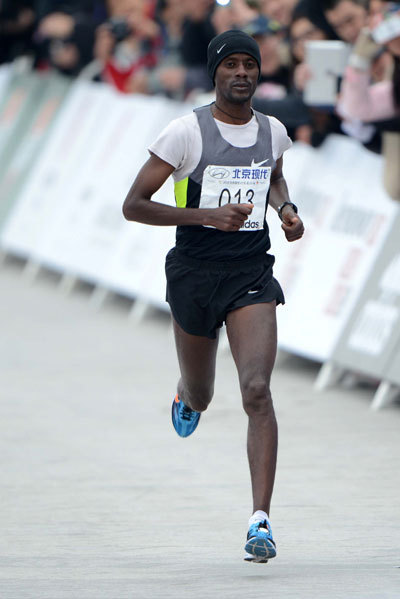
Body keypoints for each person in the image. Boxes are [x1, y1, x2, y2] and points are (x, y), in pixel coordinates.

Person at [122, 29, 305, 563]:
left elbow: (272, 178)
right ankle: (187, 393)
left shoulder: (273, 130)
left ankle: (260, 521)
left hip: (250, 271)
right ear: (215, 73)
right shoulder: (185, 132)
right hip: (195, 273)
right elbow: (134, 204)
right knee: (204, 393)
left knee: (256, 390)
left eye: (250, 64)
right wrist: (205, 215)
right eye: (231, 66)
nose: (242, 73)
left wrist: (288, 210)